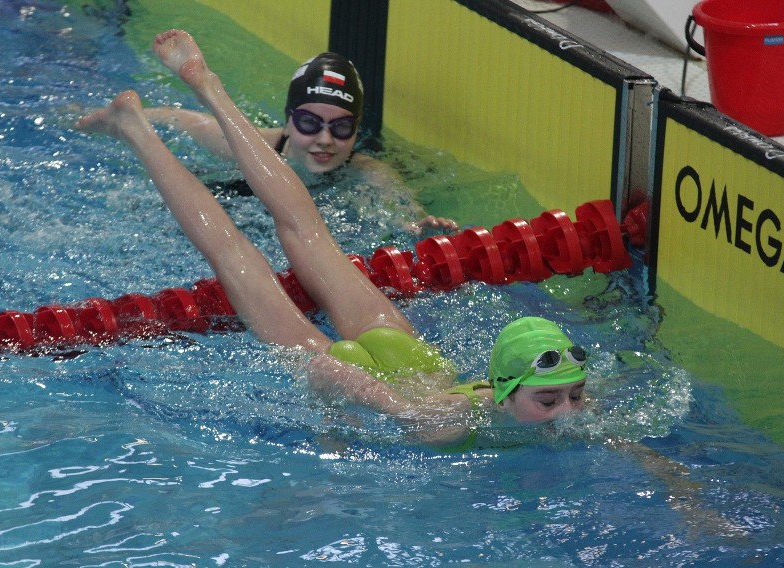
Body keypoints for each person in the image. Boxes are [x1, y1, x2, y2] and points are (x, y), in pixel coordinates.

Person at [76, 29, 587, 448]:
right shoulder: (449, 421)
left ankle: (196, 92)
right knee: (233, 253)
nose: (567, 412)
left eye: (572, 397)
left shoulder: (506, 399)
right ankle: (140, 130)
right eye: (549, 402)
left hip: (418, 362)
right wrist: (332, 433)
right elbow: (338, 381)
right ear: (503, 392)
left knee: (310, 235)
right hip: (386, 379)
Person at [143, 46, 458, 234]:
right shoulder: (255, 143)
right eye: (309, 123)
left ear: (358, 129)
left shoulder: (369, 173)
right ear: (289, 119)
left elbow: (405, 212)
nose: (325, 139)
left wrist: (419, 227)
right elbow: (179, 119)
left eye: (342, 127)